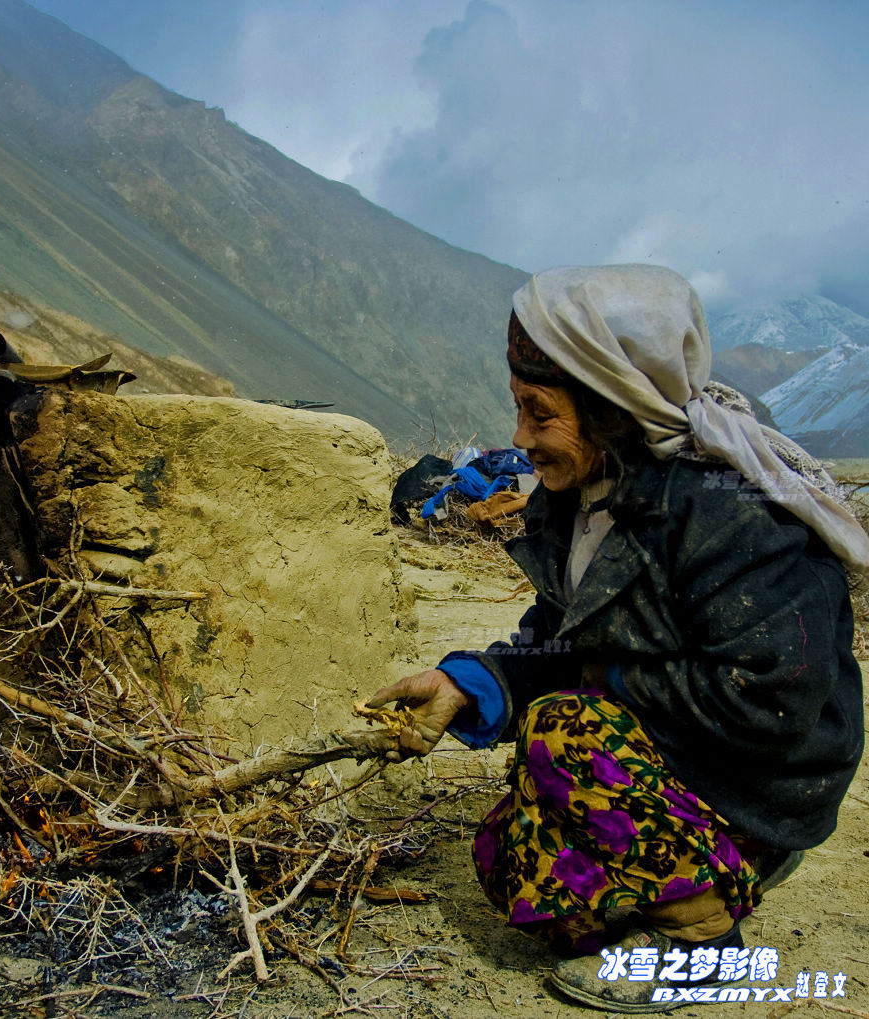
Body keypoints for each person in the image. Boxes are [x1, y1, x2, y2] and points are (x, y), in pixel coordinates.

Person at [367, 264, 868, 1012]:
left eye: (540, 413)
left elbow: (772, 698)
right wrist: (469, 683)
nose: (518, 437)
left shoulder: (733, 514)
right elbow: (562, 634)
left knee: (564, 728)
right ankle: (682, 882)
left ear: (609, 407)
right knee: (511, 869)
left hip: (758, 782)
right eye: (519, 410)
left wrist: (603, 688)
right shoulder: (579, 498)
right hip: (668, 753)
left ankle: (706, 944)